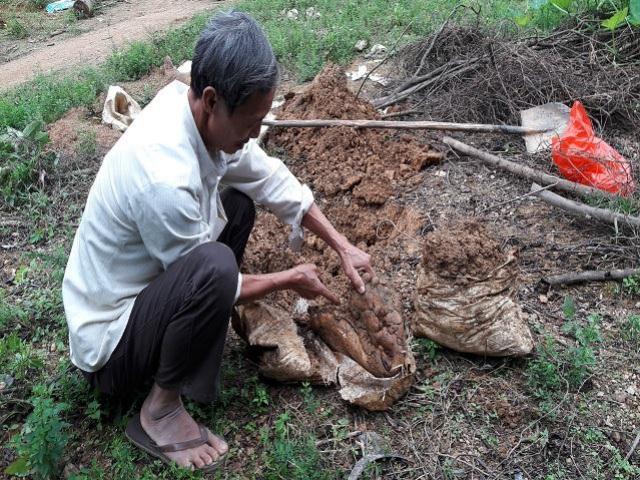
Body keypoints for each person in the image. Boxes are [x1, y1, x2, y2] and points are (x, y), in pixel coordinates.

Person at [62, 10, 374, 472]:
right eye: (250, 122)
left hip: (150, 297)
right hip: (111, 348)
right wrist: (288, 278)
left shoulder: (196, 112)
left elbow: (268, 177)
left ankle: (187, 354)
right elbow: (211, 275)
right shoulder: (163, 175)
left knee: (241, 206)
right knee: (216, 265)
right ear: (211, 100)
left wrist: (341, 244)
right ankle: (159, 410)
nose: (255, 133)